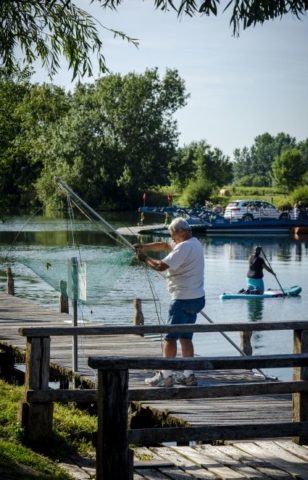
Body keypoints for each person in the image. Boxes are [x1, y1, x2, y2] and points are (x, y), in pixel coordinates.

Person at [134, 217, 205, 388]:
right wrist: (143, 247)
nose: (171, 238)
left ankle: (166, 376)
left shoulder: (183, 247)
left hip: (182, 299)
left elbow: (160, 266)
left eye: (173, 234)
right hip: (197, 298)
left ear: (181, 231)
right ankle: (189, 376)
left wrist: (145, 258)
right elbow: (164, 245)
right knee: (186, 337)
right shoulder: (195, 243)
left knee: (169, 338)